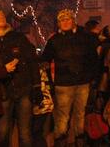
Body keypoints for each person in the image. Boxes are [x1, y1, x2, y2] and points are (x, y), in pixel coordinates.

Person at [41, 9, 101, 147]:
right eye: (62, 20)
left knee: (80, 115)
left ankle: (79, 141)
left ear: (73, 21)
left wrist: (92, 77)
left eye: (68, 19)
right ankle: (61, 141)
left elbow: (93, 58)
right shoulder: (54, 40)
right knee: (62, 117)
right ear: (58, 23)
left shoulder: (85, 37)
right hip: (63, 84)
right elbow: (45, 58)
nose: (65, 22)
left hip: (83, 82)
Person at [0, 9, 41, 147]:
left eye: (2, 14)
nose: (1, 16)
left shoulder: (18, 38)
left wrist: (36, 86)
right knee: (3, 132)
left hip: (23, 88)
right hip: (2, 91)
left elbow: (32, 61)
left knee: (25, 132)